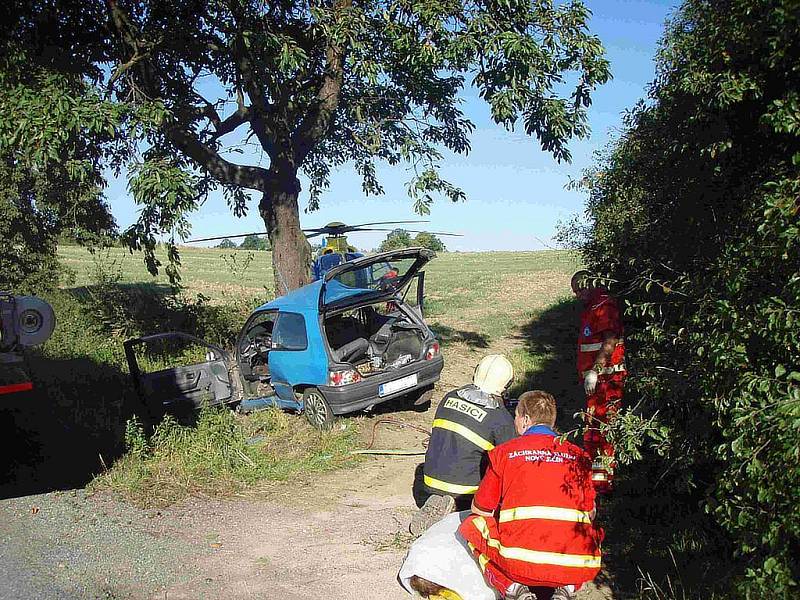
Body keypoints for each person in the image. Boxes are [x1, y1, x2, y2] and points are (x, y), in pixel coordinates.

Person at [458, 391, 602, 600]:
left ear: (525, 419)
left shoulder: (504, 453)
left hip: (519, 565)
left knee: (471, 526)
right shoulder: (580, 456)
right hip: (574, 565)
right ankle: (568, 588)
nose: (514, 421)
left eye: (516, 415)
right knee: (591, 531)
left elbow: (480, 509)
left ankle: (511, 588)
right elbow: (590, 514)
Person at [409, 354, 516, 537]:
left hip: (429, 481)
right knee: (499, 464)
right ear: (505, 385)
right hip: (465, 492)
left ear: (476, 373)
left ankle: (440, 499)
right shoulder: (501, 419)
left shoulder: (448, 397)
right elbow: (510, 461)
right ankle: (459, 508)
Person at [571, 270, 626, 492]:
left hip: (606, 381)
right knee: (592, 429)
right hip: (596, 384)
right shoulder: (591, 309)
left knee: (603, 430)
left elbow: (609, 342)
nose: (577, 296)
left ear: (589, 286)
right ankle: (595, 477)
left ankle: (603, 483)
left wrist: (595, 371)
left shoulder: (604, 307)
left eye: (578, 290)